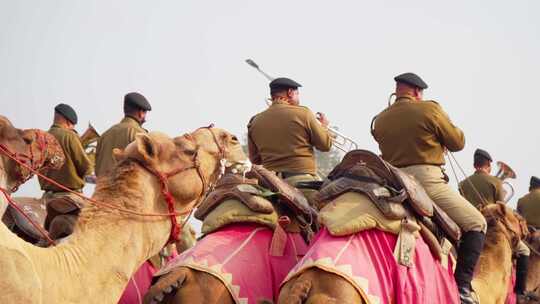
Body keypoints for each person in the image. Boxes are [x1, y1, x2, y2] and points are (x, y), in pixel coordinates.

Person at [372, 72, 487, 304]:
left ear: (398, 90)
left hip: (392, 181)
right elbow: (458, 142)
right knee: (477, 223)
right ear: (416, 91)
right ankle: (462, 288)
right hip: (426, 183)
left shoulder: (380, 118)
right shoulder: (429, 109)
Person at [460, 149, 529, 297]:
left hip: (465, 225)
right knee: (525, 251)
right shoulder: (496, 182)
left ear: (474, 164)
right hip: (490, 229)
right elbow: (501, 209)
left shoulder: (463, 183)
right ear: (489, 166)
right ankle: (520, 292)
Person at [247, 77, 333, 196]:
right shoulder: (303, 113)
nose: (299, 98)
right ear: (290, 93)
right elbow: (325, 145)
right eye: (297, 94)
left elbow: (255, 159)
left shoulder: (254, 121)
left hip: (269, 183)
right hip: (301, 182)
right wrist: (324, 127)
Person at [38, 103, 93, 239]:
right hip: (70, 196)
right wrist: (92, 157)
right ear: (69, 122)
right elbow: (86, 168)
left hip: (47, 196)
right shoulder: (70, 136)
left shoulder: (41, 138)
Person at [94, 92, 151, 177]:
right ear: (141, 112)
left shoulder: (105, 135)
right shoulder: (139, 134)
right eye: (145, 113)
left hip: (102, 188)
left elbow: (97, 168)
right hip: (126, 188)